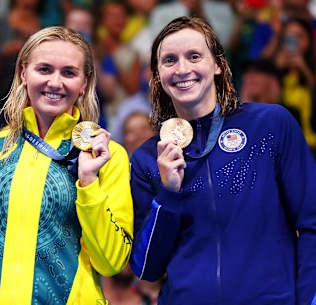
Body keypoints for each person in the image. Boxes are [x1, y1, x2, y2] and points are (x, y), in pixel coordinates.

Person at [130, 16, 316, 305]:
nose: (182, 69)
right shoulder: (147, 158)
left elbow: (311, 223)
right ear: (157, 75)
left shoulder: (269, 125)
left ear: (218, 65)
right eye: (169, 60)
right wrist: (168, 193)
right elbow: (146, 268)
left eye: (194, 56)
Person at [0, 26, 133, 304]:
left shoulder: (107, 156)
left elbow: (111, 261)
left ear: (85, 83)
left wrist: (89, 182)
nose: (55, 82)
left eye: (68, 72)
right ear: (23, 74)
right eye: (44, 69)